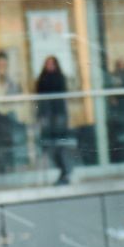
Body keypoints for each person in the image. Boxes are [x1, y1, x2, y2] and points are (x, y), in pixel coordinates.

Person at [35, 55, 73, 185]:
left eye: (52, 63)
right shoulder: (42, 79)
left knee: (60, 145)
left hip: (58, 115)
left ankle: (65, 171)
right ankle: (62, 171)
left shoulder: (60, 78)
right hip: (47, 116)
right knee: (49, 146)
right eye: (48, 63)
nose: (50, 66)